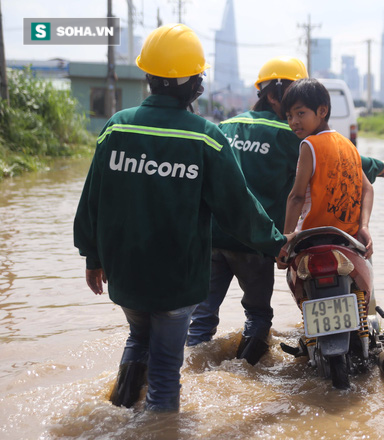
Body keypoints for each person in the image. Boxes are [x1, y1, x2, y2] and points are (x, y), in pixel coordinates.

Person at [73, 24, 290, 412]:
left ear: (148, 77)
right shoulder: (205, 137)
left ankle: (119, 413)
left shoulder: (117, 127)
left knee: (138, 339)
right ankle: (159, 431)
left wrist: (93, 256)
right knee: (166, 372)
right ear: (195, 85)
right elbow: (239, 209)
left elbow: (93, 199)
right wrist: (278, 245)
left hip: (126, 273)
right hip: (176, 278)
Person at [186, 57, 384, 364]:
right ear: (275, 95)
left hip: (211, 237)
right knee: (257, 315)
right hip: (255, 239)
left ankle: (192, 370)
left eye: (301, 109)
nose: (294, 115)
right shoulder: (292, 137)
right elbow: (342, 161)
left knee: (201, 317)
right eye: (292, 100)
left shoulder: (223, 128)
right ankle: (247, 371)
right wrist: (382, 166)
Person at [279, 78, 374, 258]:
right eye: (289, 116)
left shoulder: (309, 144)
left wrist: (285, 243)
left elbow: (297, 197)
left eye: (300, 113)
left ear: (322, 111)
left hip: (311, 238)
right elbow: (367, 188)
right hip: (348, 240)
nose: (294, 122)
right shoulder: (348, 145)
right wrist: (364, 227)